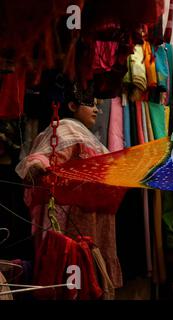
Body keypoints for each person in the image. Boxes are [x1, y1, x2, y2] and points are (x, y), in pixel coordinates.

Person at [15, 83, 127, 289]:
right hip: (71, 216)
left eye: (96, 105)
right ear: (72, 106)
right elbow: (43, 156)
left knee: (86, 269)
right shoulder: (65, 129)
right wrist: (38, 165)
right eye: (89, 104)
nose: (96, 110)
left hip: (90, 217)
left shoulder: (88, 136)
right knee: (72, 267)